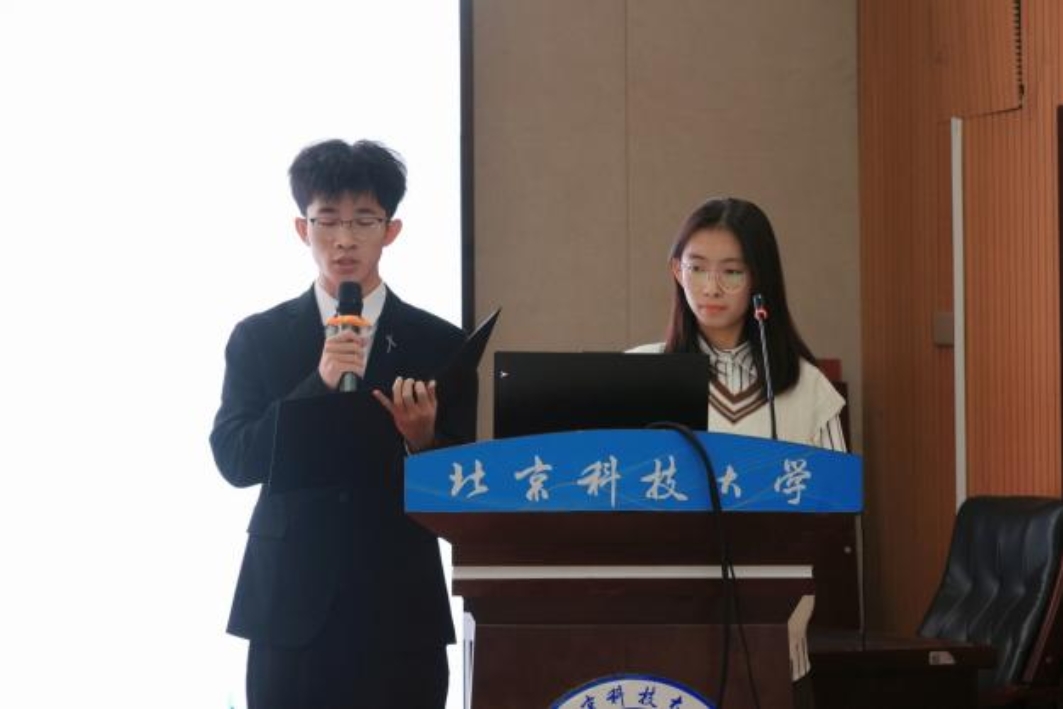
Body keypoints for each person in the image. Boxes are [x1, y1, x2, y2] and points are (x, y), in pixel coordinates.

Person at [210, 139, 475, 709]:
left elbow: (466, 488)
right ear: (302, 229)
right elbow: (235, 459)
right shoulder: (259, 337)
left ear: (391, 230)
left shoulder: (440, 343)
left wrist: (424, 442)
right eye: (327, 220)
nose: (345, 239)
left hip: (399, 607)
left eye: (363, 220)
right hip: (289, 607)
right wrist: (318, 383)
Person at [630, 197, 846, 451]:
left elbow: (834, 477)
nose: (711, 288)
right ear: (678, 271)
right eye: (697, 269)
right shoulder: (638, 374)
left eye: (732, 272)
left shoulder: (809, 388)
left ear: (760, 278)